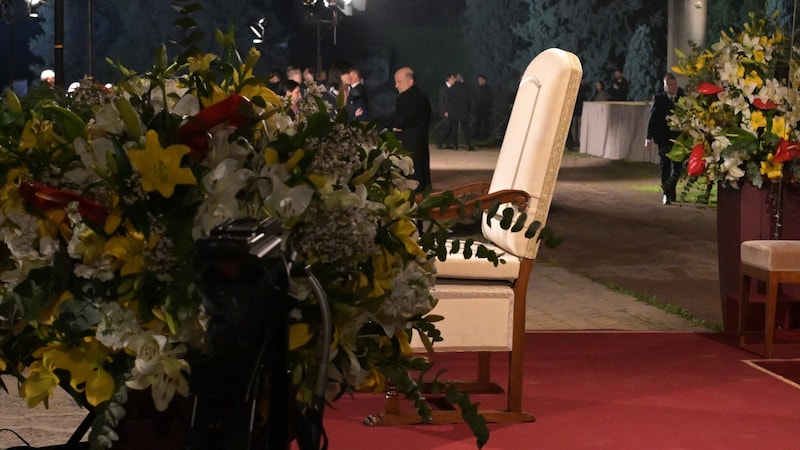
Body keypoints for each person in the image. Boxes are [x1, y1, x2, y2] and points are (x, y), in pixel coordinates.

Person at [379, 67, 432, 192]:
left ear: (410, 81)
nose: (396, 85)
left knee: (411, 182)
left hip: (410, 147)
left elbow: (401, 120)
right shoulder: (420, 98)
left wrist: (387, 123)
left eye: (399, 82)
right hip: (417, 145)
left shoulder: (410, 99)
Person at [646, 72, 685, 205]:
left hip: (680, 139)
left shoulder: (683, 98)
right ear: (665, 86)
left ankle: (671, 189)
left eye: (674, 84)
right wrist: (648, 138)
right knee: (665, 166)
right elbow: (652, 120)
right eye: (669, 85)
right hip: (663, 138)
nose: (672, 87)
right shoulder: (659, 99)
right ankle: (667, 194)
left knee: (678, 168)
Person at [444, 73, 472, 150]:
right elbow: (469, 99)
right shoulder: (465, 88)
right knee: (466, 129)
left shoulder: (451, 89)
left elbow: (448, 101)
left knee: (454, 129)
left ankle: (455, 145)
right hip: (463, 111)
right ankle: (468, 145)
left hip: (454, 111)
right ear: (462, 80)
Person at [567, 77, 591, 150]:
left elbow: (589, 90)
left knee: (579, 125)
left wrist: (583, 84)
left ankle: (578, 140)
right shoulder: (574, 87)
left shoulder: (583, 88)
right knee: (574, 125)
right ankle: (574, 140)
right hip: (574, 110)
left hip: (580, 110)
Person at [437, 74, 456, 148]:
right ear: (449, 79)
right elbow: (442, 101)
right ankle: (440, 142)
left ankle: (448, 143)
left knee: (451, 127)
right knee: (448, 126)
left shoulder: (451, 88)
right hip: (446, 112)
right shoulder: (444, 89)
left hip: (451, 111)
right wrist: (445, 111)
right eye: (453, 78)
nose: (454, 80)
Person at [472, 75, 493, 141]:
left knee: (486, 123)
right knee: (478, 123)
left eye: (481, 80)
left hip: (486, 109)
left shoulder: (488, 89)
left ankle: (485, 135)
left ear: (484, 80)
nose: (479, 81)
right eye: (479, 80)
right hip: (478, 109)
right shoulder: (476, 89)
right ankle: (477, 135)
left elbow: (490, 99)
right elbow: (474, 98)